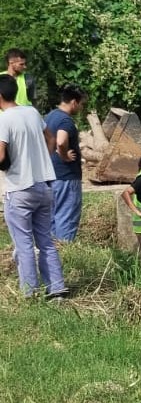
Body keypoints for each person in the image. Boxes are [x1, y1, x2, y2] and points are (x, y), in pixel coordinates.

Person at [0, 74, 67, 299]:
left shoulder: (4, 119)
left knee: (24, 244)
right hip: (43, 186)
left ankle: (30, 293)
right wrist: (42, 160)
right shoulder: (32, 112)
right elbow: (50, 139)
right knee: (45, 240)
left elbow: (1, 155)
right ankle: (56, 287)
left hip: (19, 189)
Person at [45, 84, 87, 241]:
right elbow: (61, 141)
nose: (82, 108)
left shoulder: (49, 117)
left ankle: (50, 258)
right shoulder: (65, 120)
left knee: (52, 219)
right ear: (74, 102)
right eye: (82, 104)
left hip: (50, 175)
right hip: (67, 177)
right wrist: (64, 155)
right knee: (66, 218)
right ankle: (64, 256)